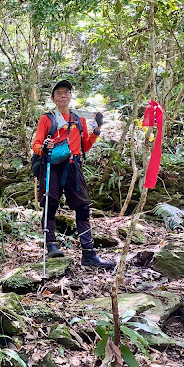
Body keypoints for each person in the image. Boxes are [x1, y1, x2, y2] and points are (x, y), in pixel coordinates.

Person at [32, 79, 115, 269]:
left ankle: (89, 254)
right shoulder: (47, 119)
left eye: (66, 92)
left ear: (70, 96)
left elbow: (84, 146)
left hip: (73, 166)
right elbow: (36, 145)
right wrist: (44, 147)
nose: (63, 95)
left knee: (83, 207)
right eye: (59, 92)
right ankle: (51, 246)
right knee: (50, 204)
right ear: (53, 98)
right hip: (51, 166)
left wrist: (96, 132)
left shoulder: (78, 119)